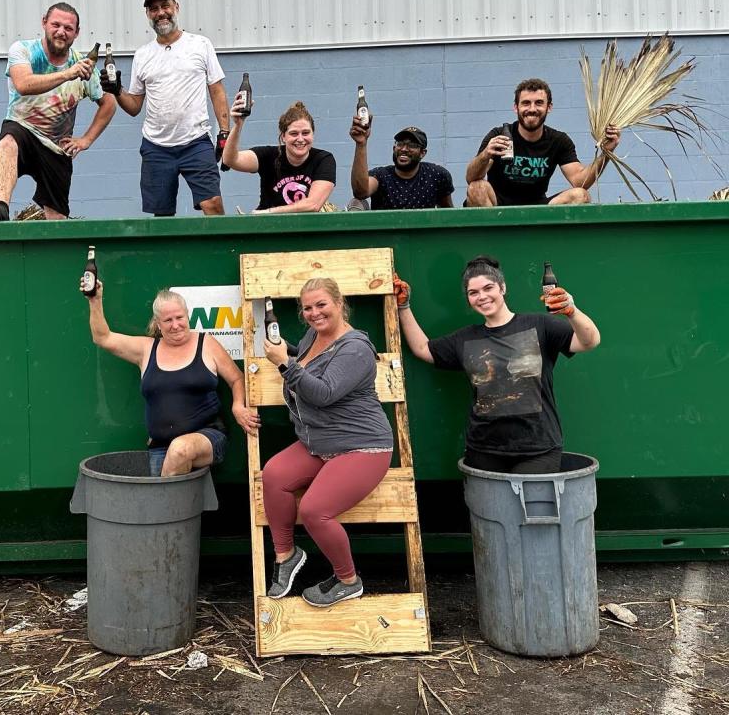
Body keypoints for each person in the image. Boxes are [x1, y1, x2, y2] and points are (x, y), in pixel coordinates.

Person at [257, 278, 393, 606]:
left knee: (315, 510)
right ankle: (286, 555)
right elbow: (307, 364)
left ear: (339, 302)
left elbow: (324, 393)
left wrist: (282, 363)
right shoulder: (311, 337)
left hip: (362, 446)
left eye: (321, 305)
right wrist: (288, 351)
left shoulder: (355, 348)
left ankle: (348, 580)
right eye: (307, 308)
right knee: (274, 474)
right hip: (320, 442)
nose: (315, 313)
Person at [396, 255, 601, 473]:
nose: (482, 296)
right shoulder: (465, 339)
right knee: (489, 509)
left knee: (530, 507)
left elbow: (590, 341)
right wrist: (403, 306)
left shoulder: (540, 325)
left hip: (538, 449)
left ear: (502, 288)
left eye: (488, 288)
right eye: (473, 293)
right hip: (483, 451)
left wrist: (571, 311)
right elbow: (422, 349)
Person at [84, 279, 250, 477]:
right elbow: (103, 338)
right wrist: (95, 300)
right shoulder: (146, 350)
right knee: (172, 504)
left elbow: (237, 379)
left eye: (179, 317)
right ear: (158, 324)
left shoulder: (206, 343)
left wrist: (238, 405)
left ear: (188, 316)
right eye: (168, 320)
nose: (175, 325)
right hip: (160, 446)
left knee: (179, 451)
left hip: (208, 437)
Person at [0, 3, 116, 221]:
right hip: (23, 127)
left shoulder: (82, 64)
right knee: (7, 142)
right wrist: (68, 74)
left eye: (68, 28)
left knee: (57, 218)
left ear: (76, 33)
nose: (61, 31)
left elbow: (108, 104)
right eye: (56, 25)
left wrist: (85, 140)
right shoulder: (23, 50)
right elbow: (23, 84)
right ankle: (1, 208)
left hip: (56, 146)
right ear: (44, 23)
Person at [101, 0, 230, 216]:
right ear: (148, 15)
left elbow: (217, 90)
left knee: (213, 205)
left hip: (196, 142)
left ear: (176, 8)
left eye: (165, 6)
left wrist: (225, 132)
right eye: (154, 9)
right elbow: (133, 107)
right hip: (156, 147)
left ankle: (222, 252)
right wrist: (116, 89)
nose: (160, 13)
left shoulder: (200, 45)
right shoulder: (142, 55)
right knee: (162, 218)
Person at [465, 79, 620, 207]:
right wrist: (486, 154)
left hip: (538, 208)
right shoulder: (498, 135)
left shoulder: (559, 141)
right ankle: (498, 240)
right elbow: (470, 177)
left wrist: (606, 153)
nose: (532, 109)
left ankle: (545, 240)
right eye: (526, 103)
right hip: (497, 207)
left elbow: (581, 181)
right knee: (476, 187)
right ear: (516, 107)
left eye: (539, 103)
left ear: (549, 107)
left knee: (581, 195)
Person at [222, 100, 336, 213]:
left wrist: (270, 212)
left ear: (313, 134)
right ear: (283, 137)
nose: (300, 139)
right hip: (270, 226)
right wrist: (238, 125)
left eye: (306, 133)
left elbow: (313, 204)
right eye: (294, 134)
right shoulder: (268, 155)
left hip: (305, 225)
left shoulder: (323, 159)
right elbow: (230, 160)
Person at [349, 122, 453, 209]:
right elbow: (360, 192)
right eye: (400, 144)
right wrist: (361, 144)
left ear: (422, 153)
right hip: (386, 232)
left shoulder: (437, 175)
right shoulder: (381, 175)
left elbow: (448, 213)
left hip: (423, 232)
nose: (404, 149)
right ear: (394, 148)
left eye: (412, 145)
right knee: (355, 202)